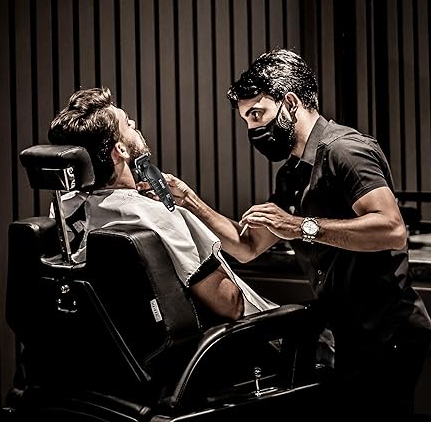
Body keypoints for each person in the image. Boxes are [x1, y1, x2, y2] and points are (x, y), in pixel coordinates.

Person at [154, 48, 431, 420]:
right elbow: (248, 246)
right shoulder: (292, 173)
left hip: (388, 330)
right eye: (245, 120)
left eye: (256, 114)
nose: (251, 130)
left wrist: (300, 226)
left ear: (290, 102)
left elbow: (391, 229)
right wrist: (189, 200)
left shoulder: (345, 150)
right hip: (348, 329)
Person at [47, 86, 278, 324]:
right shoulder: (154, 215)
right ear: (120, 150)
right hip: (250, 333)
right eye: (127, 123)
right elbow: (231, 304)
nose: (134, 123)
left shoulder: (63, 212)